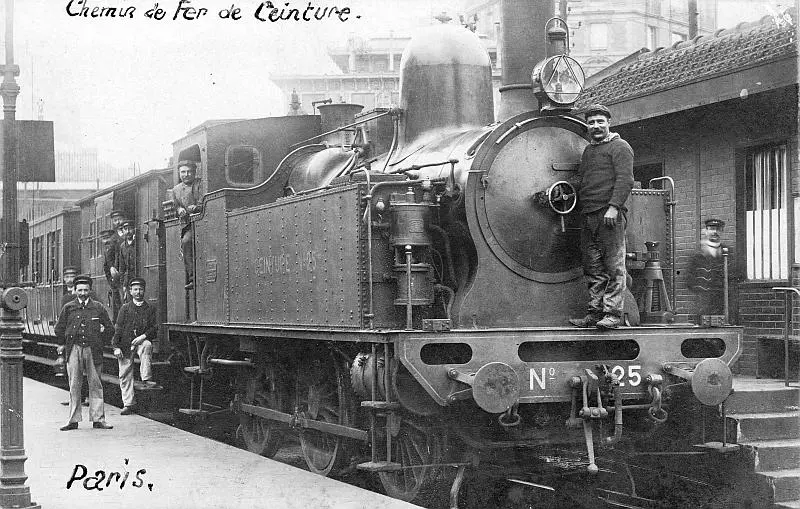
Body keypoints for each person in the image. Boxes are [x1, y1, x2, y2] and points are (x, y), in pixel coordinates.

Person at [568, 104, 634, 330]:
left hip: (609, 215)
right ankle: (594, 313)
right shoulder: (589, 151)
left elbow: (625, 179)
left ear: (609, 123)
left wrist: (614, 207)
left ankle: (613, 314)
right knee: (593, 267)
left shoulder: (620, 147)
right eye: (592, 122)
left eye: (600, 122)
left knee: (614, 265)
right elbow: (584, 180)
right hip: (589, 215)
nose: (595, 126)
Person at [54, 275, 114, 430]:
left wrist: (100, 341)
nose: (82, 293)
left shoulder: (98, 307)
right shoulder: (68, 307)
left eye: (85, 290)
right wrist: (64, 343)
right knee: (74, 384)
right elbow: (58, 329)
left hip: (93, 350)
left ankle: (98, 419)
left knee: (95, 384)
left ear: (90, 290)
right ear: (75, 291)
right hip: (74, 349)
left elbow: (110, 329)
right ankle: (73, 420)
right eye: (79, 290)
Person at [112, 277, 159, 415]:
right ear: (131, 292)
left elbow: (154, 328)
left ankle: (146, 377)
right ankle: (128, 403)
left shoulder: (150, 308)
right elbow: (118, 328)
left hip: (140, 342)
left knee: (147, 345)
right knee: (125, 374)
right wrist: (116, 347)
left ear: (144, 291)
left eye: (141, 289)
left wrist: (143, 337)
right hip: (125, 345)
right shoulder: (125, 309)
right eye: (135, 289)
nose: (138, 292)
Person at [167, 160, 202, 289]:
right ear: (179, 173)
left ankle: (194, 277)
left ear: (194, 172)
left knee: (187, 241)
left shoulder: (200, 184)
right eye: (183, 172)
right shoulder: (176, 190)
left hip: (201, 220)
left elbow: (204, 200)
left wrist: (197, 207)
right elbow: (175, 206)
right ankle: (191, 276)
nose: (186, 174)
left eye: (189, 171)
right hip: (188, 224)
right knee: (185, 241)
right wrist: (179, 210)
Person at [687, 218, 727, 316]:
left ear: (722, 232)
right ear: (705, 231)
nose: (715, 232)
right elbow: (690, 282)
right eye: (712, 229)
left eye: (718, 229)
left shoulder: (728, 253)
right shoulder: (698, 255)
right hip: (703, 305)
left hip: (723, 305)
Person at [100, 228, 123, 318]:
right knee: (116, 305)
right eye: (104, 239)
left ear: (113, 238)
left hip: (120, 281)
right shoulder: (106, 251)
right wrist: (111, 281)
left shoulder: (118, 248)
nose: (106, 241)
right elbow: (106, 268)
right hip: (113, 283)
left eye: (108, 238)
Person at [117, 220, 138, 300]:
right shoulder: (122, 246)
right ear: (123, 231)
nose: (128, 231)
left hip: (137, 276)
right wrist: (123, 285)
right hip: (128, 280)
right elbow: (122, 268)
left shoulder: (138, 242)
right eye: (126, 229)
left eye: (130, 229)